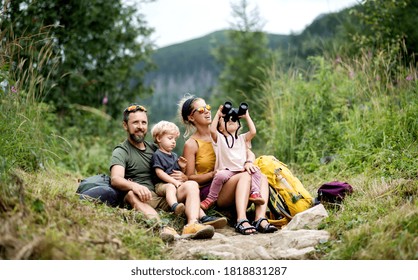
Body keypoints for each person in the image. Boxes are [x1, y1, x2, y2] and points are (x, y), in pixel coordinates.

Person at [109, 104, 227, 242]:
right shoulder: (122, 151)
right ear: (125, 125)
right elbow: (115, 179)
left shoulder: (154, 148)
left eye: (143, 122)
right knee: (130, 194)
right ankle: (161, 227)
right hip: (143, 197)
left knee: (191, 184)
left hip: (164, 194)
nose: (140, 126)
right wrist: (135, 186)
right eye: (135, 122)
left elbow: (170, 167)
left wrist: (183, 175)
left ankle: (192, 224)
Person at [179, 95, 278, 235]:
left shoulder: (225, 132)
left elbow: (247, 151)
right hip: (215, 189)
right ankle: (241, 220)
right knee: (245, 176)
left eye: (207, 107)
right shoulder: (192, 144)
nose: (207, 111)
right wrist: (213, 174)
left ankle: (260, 219)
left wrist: (249, 161)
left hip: (235, 181)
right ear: (191, 117)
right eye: (201, 110)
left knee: (261, 177)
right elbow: (189, 177)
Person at [200, 103, 265, 210]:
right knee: (219, 175)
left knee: (256, 171)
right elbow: (212, 130)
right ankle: (211, 198)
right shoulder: (219, 139)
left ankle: (255, 193)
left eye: (234, 119)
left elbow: (253, 131)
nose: (230, 120)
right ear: (220, 129)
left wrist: (246, 115)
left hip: (242, 169)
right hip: (227, 170)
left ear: (238, 124)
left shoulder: (242, 138)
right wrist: (219, 114)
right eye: (226, 120)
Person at [150, 120, 188, 216]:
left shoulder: (174, 156)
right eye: (170, 138)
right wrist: (173, 182)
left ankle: (202, 215)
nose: (173, 142)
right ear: (159, 138)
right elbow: (159, 173)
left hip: (175, 184)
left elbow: (177, 172)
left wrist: (182, 168)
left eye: (175, 139)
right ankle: (175, 206)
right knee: (170, 187)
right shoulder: (158, 155)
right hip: (161, 185)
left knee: (190, 186)